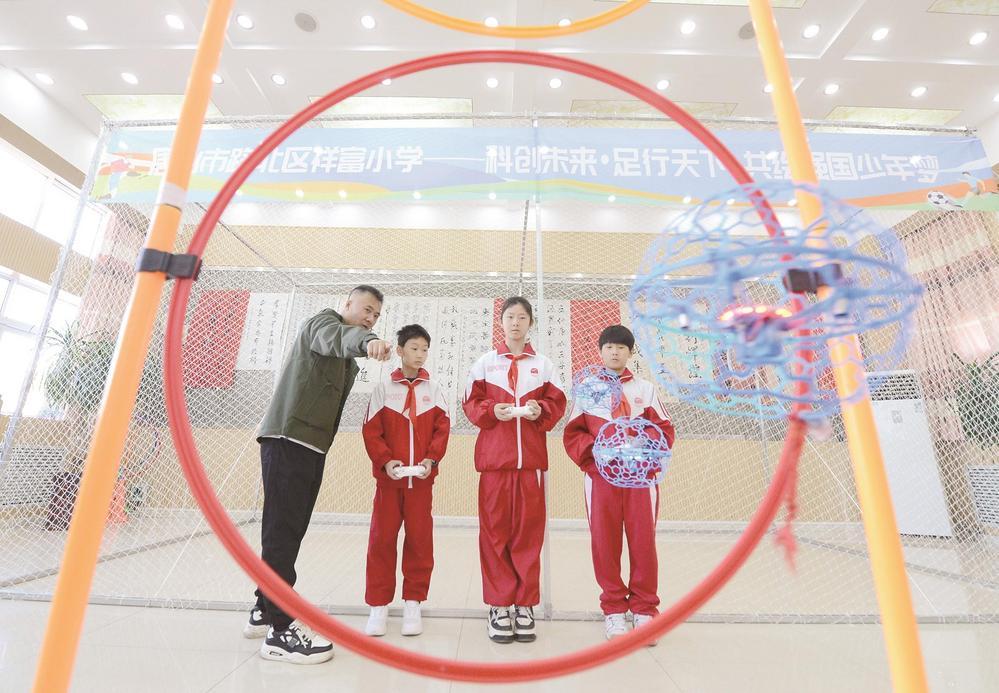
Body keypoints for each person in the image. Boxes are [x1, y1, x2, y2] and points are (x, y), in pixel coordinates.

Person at [246, 285, 392, 664]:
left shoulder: (346, 360)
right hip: (287, 440)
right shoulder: (321, 324)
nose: (370, 318)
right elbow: (337, 337)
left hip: (310, 448)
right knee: (281, 532)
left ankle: (264, 607)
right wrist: (369, 341)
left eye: (376, 315)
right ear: (347, 303)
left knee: (290, 530)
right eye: (367, 309)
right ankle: (281, 631)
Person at [462, 296, 566, 643]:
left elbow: (557, 403)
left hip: (531, 464)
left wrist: (541, 410)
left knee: (528, 535)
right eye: (510, 317)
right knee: (495, 534)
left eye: (522, 317)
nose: (516, 323)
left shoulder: (544, 365)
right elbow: (470, 403)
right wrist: (491, 410)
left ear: (530, 322)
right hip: (495, 463)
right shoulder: (485, 364)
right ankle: (498, 604)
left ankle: (524, 605)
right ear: (501, 323)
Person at [562, 324, 675, 645]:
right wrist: (598, 455)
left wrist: (641, 450)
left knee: (643, 542)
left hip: (639, 479)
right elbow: (573, 433)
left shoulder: (645, 390)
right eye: (609, 347)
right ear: (600, 351)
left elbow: (664, 430)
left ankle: (644, 610)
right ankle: (613, 609)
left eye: (621, 347)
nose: (615, 352)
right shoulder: (588, 389)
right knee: (604, 542)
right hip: (601, 480)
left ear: (630, 352)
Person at [361, 324, 450, 638]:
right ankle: (378, 605)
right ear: (399, 351)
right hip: (390, 483)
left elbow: (442, 430)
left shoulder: (433, 390)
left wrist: (431, 460)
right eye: (414, 348)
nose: (420, 354)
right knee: (381, 541)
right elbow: (371, 432)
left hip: (421, 484)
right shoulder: (384, 390)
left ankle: (413, 603)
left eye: (425, 349)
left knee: (420, 542)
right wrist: (386, 461)